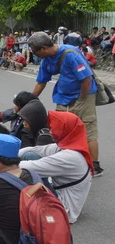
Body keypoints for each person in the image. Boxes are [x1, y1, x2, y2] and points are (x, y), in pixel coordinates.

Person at [29, 32, 102, 176]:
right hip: (63, 96)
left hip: (83, 94)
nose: (33, 54)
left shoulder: (70, 54)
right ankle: (67, 160)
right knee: (60, 129)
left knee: (87, 128)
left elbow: (86, 79)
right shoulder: (46, 59)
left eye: (34, 51)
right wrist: (28, 100)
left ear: (43, 48)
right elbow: (41, 82)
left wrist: (81, 100)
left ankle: (95, 165)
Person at [19, 111, 92, 224]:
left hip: (64, 210)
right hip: (60, 192)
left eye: (55, 128)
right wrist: (10, 153)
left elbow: (30, 167)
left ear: (65, 130)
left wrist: (3, 163)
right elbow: (33, 149)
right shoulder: (69, 145)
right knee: (30, 155)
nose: (51, 131)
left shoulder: (71, 157)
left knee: (27, 172)